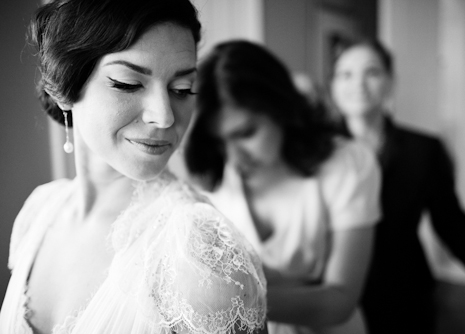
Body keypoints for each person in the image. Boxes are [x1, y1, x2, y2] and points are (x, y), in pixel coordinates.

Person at [0, 1, 267, 333]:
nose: (165, 116)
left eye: (182, 89)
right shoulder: (38, 212)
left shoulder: (198, 254)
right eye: (128, 83)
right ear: (66, 88)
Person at [183, 40, 381, 334]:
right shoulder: (212, 179)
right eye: (219, 140)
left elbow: (340, 300)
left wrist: (231, 299)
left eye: (246, 133)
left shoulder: (347, 164)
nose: (234, 158)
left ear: (280, 108)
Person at [329, 38, 465, 334]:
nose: (358, 83)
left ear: (390, 83)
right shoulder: (315, 150)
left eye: (371, 72)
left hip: (405, 294)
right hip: (333, 292)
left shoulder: (423, 150)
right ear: (333, 85)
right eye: (345, 74)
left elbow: (453, 227)